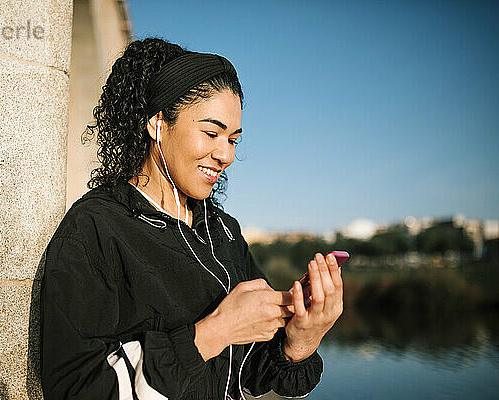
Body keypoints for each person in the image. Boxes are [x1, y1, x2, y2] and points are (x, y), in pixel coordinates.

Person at [40, 37, 344, 400]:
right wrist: (214, 332)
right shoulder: (96, 227)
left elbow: (249, 375)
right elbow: (75, 387)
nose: (225, 155)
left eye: (233, 139)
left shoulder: (222, 231)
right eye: (211, 133)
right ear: (157, 124)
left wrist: (300, 338)